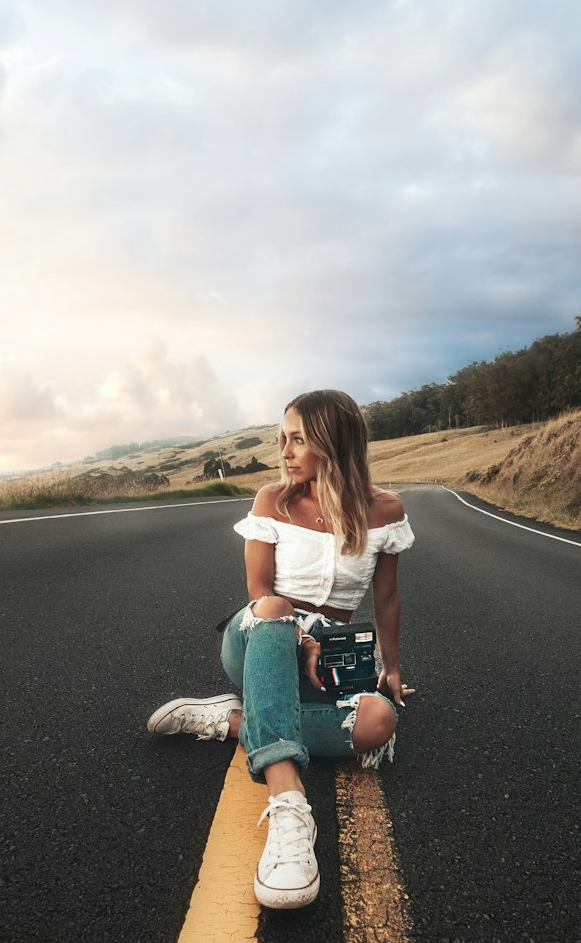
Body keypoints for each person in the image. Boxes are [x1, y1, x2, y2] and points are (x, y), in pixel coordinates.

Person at [146, 389, 415, 909]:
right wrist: (304, 636)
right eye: (281, 439)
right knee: (273, 608)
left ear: (334, 444)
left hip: (326, 661)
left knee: (380, 723)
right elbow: (259, 592)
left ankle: (232, 720)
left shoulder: (386, 511)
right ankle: (289, 807)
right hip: (262, 640)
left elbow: (386, 596)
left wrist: (393, 667)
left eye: (297, 439)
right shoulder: (274, 500)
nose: (284, 452)